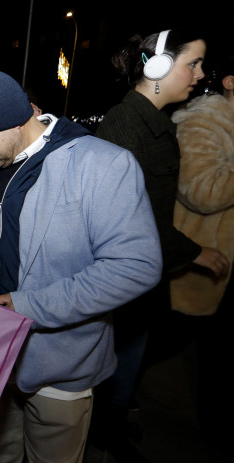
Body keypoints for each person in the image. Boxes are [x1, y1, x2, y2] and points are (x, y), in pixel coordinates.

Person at [0, 68, 163, 463]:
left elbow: (135, 265)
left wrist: (28, 307)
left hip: (60, 366)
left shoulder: (102, 165)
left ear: (18, 119)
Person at [94, 29, 230, 458]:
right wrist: (196, 253)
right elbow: (136, 222)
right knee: (111, 359)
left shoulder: (153, 122)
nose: (201, 74)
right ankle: (103, 431)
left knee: (129, 355)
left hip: (143, 276)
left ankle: (111, 423)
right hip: (123, 275)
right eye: (193, 63)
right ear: (157, 66)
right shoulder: (126, 127)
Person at [169, 53, 234, 446]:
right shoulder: (203, 121)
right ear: (230, 81)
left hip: (225, 267)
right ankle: (114, 404)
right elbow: (201, 191)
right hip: (197, 266)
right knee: (165, 340)